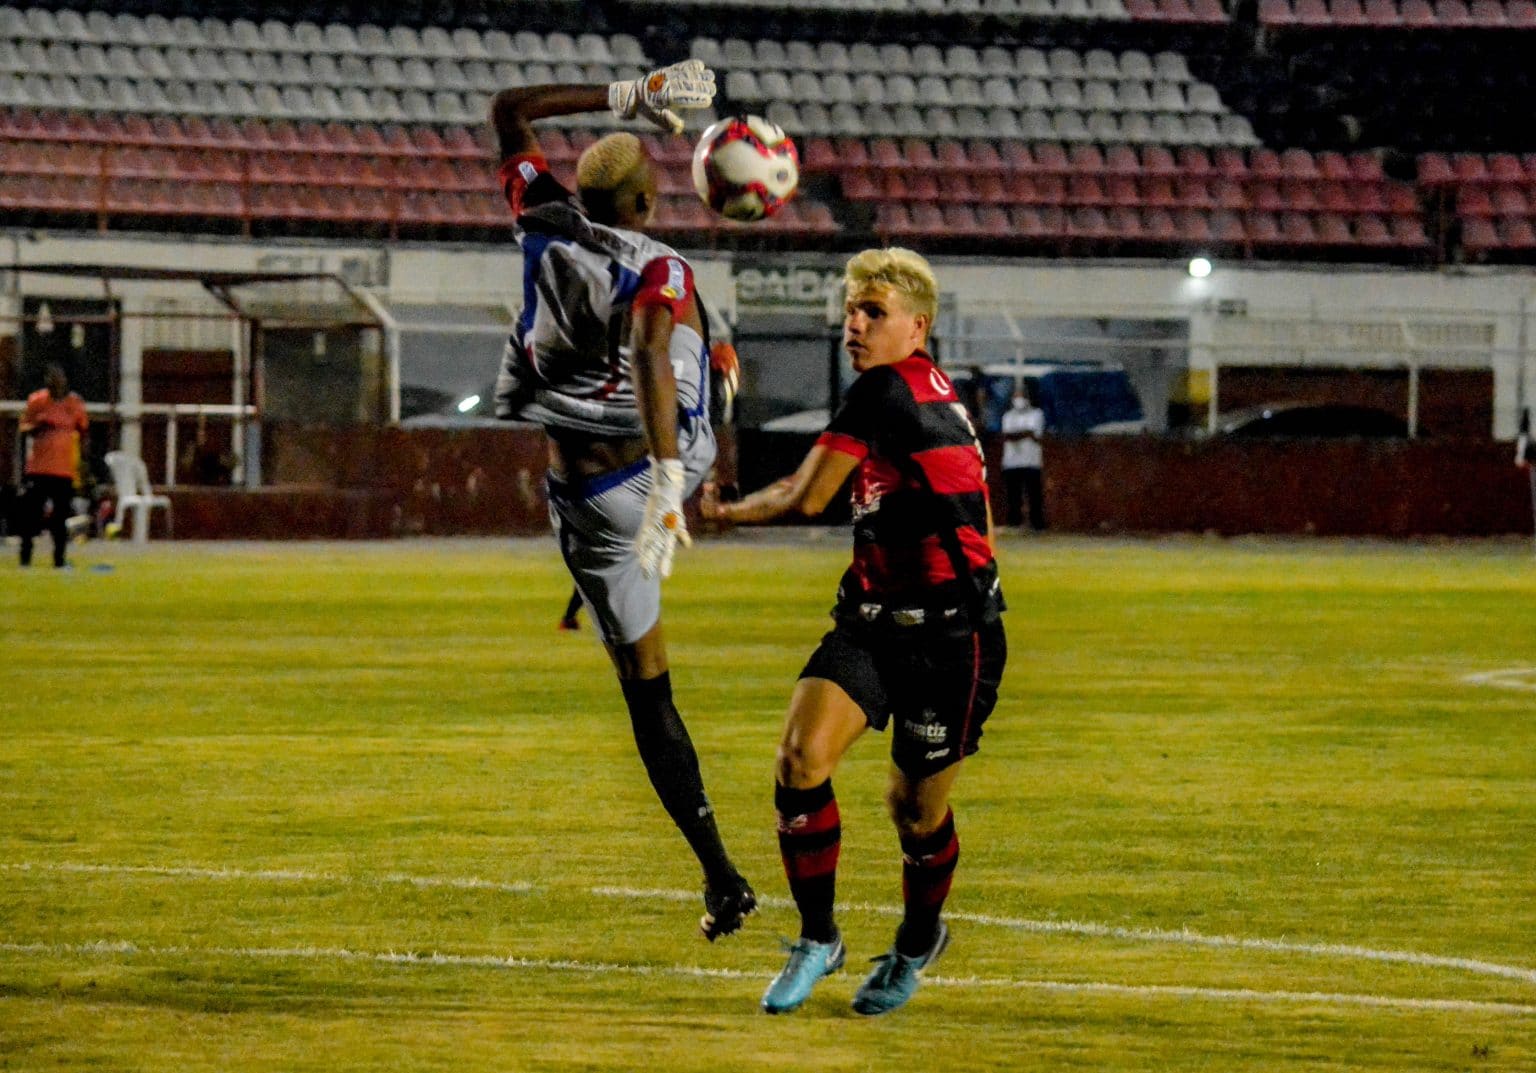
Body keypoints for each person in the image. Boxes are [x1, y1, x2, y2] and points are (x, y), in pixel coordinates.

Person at [488, 60, 756, 940]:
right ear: (645, 205)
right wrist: (679, 477)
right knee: (690, 348)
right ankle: (715, 400)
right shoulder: (662, 264)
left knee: (649, 693)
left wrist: (625, 98)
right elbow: (646, 349)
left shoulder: (538, 217)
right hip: (654, 463)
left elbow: (512, 108)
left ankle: (720, 875)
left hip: (586, 498)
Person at [703, 248, 1007, 1016]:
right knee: (800, 757)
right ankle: (819, 938)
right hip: (872, 618)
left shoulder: (886, 389)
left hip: (951, 637)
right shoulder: (935, 394)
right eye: (850, 312)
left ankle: (914, 944)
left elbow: (809, 496)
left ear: (918, 325)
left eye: (873, 312)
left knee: (915, 812)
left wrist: (722, 512)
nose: (854, 326)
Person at [556, 339, 738, 634]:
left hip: (636, 462)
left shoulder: (680, 372)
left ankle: (583, 611)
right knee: (627, 545)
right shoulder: (705, 387)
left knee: (622, 543)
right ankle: (597, 612)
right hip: (652, 470)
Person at [18, 363, 89, 569]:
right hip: (38, 469)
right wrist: (39, 425)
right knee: (31, 516)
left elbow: (84, 431)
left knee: (60, 518)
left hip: (63, 469)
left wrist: (83, 461)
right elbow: (24, 429)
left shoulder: (74, 404)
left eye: (58, 378)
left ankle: (58, 559)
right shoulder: (37, 401)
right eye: (51, 378)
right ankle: (25, 557)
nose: (55, 383)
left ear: (64, 381)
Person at [1000, 384, 1046, 532]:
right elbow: (1009, 435)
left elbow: (1034, 434)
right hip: (1011, 462)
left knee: (1034, 495)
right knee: (1014, 496)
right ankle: (1014, 523)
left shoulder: (1037, 414)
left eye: (1021, 396)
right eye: (1016, 396)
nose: (1018, 399)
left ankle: (1036, 524)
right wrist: (1025, 433)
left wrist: (1020, 434)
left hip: (1031, 461)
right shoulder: (1008, 416)